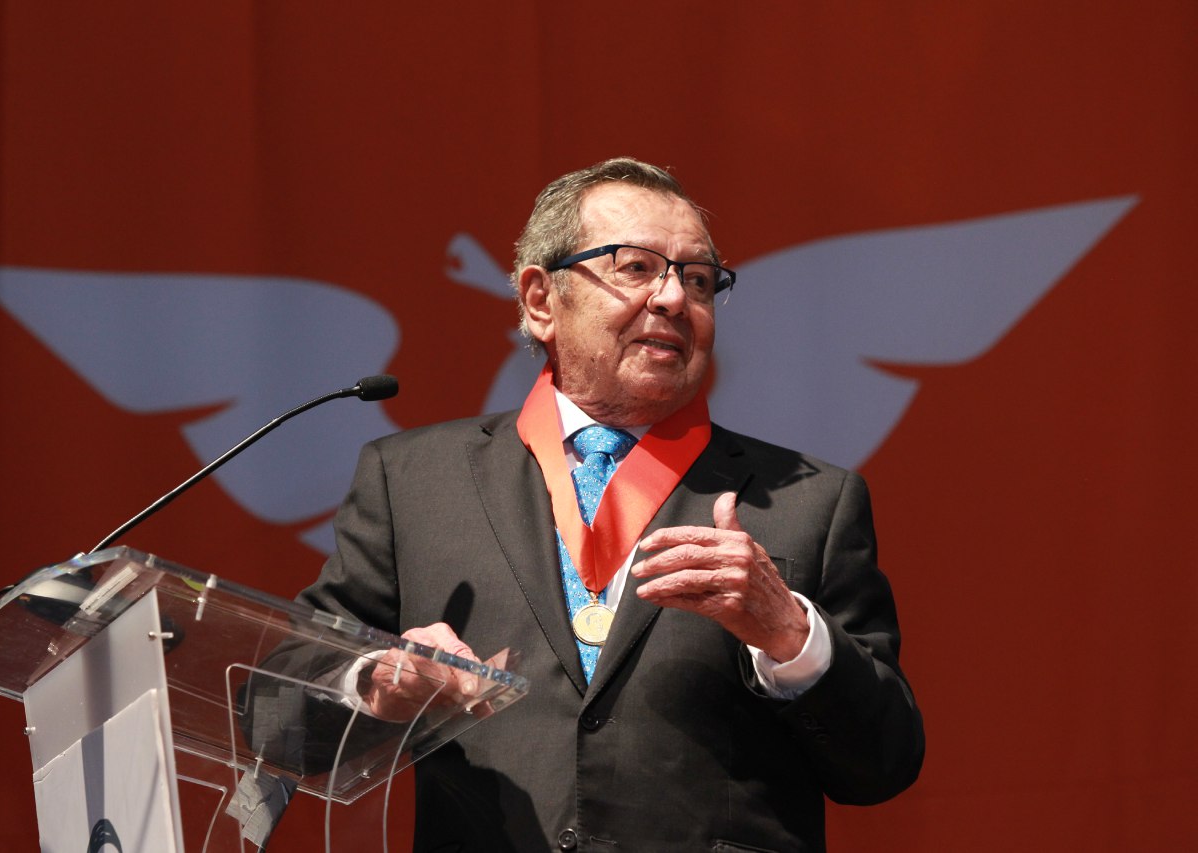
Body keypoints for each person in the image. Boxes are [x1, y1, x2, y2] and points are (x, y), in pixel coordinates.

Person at [296, 157, 924, 852]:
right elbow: (276, 712)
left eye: (698, 279)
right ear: (542, 300)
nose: (673, 298)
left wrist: (788, 635)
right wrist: (375, 682)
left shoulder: (809, 500)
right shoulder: (413, 480)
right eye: (636, 267)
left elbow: (884, 763)